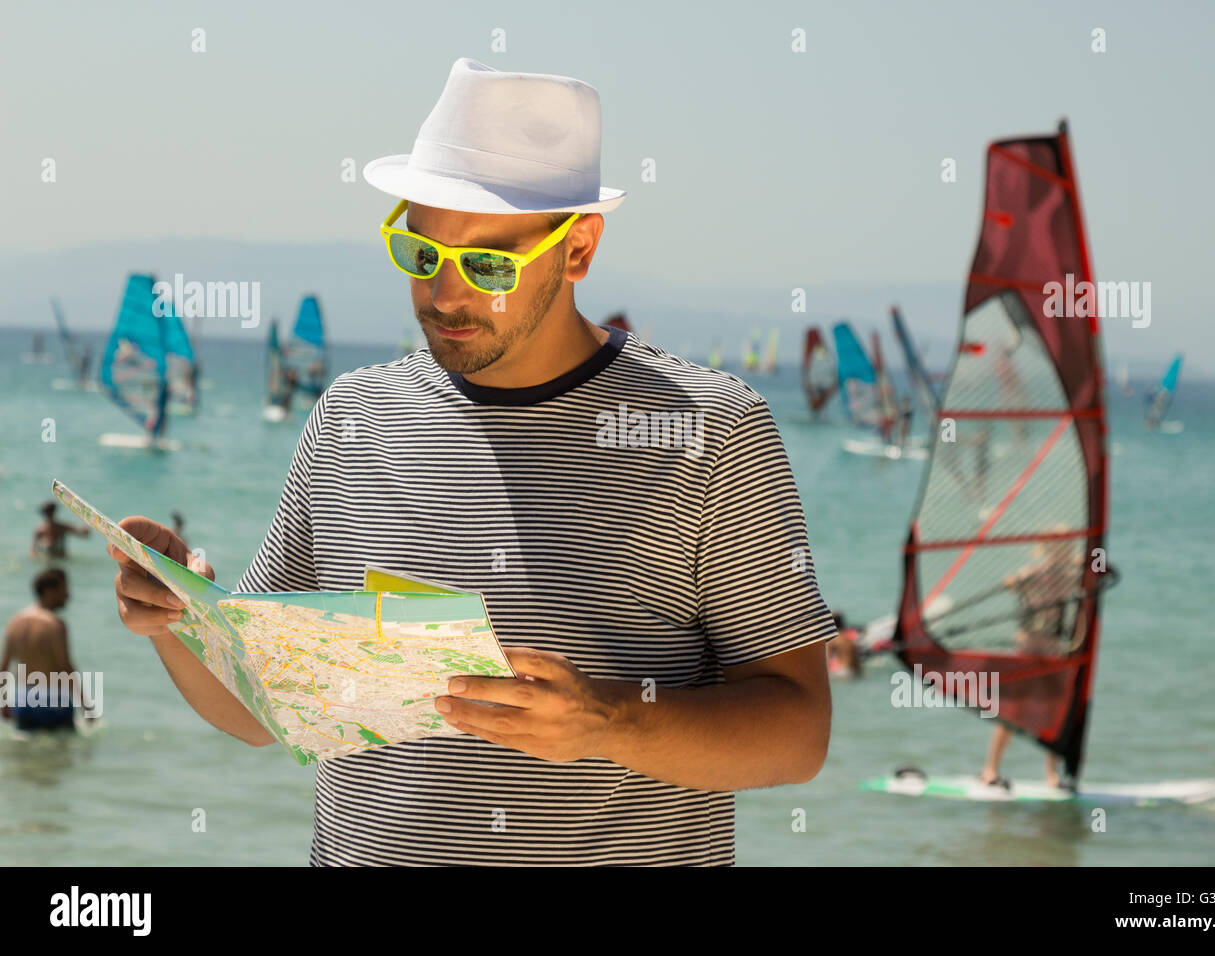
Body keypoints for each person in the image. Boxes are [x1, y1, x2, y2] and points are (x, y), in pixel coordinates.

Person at [107, 57, 835, 868]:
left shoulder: (710, 430)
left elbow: (798, 731)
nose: (446, 294)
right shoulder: (352, 417)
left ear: (580, 247)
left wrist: (608, 722)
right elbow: (262, 709)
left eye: (488, 264)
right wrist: (178, 621)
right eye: (421, 253)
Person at [978, 535, 1082, 790]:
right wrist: (1016, 581)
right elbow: (1010, 583)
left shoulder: (1073, 576)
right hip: (1028, 643)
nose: (1062, 551)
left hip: (1053, 645)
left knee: (1055, 711)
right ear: (1047, 549)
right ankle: (990, 769)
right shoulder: (1034, 573)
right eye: (1057, 546)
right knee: (1013, 710)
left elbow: (1093, 568)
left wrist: (1092, 562)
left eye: (1066, 547)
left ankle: (1052, 774)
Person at [1, 569, 95, 731]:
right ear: (49, 591)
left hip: (23, 699)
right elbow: (65, 668)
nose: (67, 595)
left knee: (26, 754)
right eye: (63, 589)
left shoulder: (15, 622)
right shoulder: (55, 625)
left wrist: (3, 703)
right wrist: (86, 706)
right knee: (62, 752)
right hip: (54, 701)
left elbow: (4, 666)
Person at [825, 611, 862, 679]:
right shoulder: (849, 638)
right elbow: (857, 659)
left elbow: (827, 659)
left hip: (841, 672)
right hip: (853, 671)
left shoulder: (833, 639)